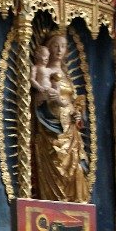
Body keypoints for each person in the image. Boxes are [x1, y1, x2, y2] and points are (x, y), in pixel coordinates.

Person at [33, 30, 90, 203]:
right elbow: (36, 100)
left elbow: (73, 101)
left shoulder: (65, 75)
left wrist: (78, 113)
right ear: (48, 48)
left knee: (77, 169)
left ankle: (77, 206)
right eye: (55, 46)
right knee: (57, 166)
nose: (59, 50)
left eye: (63, 46)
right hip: (51, 128)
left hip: (70, 130)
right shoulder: (43, 72)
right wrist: (47, 97)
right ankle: (56, 205)